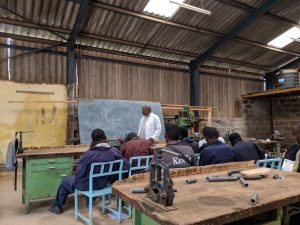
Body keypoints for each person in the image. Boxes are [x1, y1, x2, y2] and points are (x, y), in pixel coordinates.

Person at [49, 129, 129, 214]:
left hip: (89, 185)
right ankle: (90, 201)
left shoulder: (89, 154)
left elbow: (78, 174)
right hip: (105, 183)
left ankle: (57, 206)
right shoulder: (115, 151)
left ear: (93, 141)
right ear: (105, 138)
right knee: (91, 177)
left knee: (65, 181)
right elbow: (126, 166)